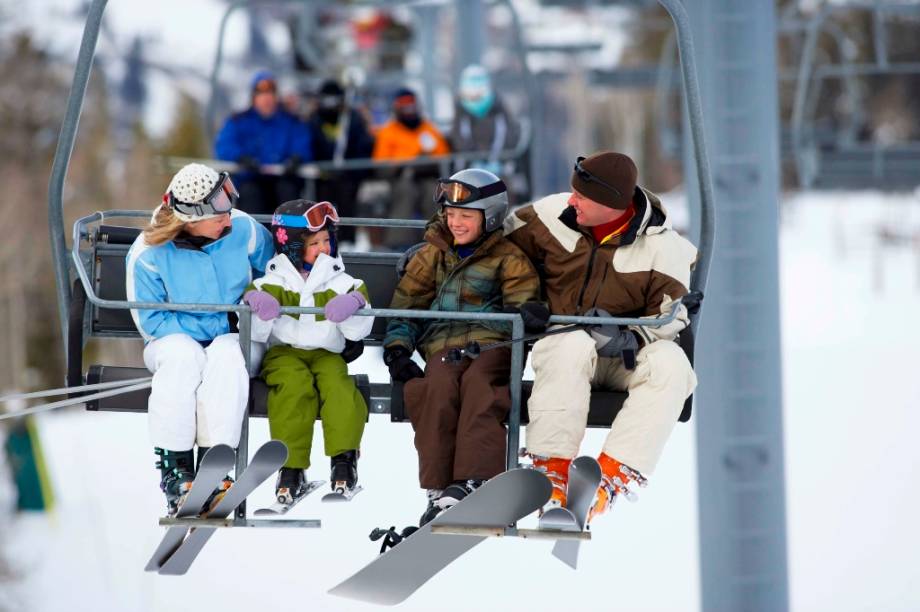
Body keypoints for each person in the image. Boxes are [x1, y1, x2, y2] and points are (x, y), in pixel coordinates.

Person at [503, 151, 698, 521]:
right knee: (570, 341)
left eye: (581, 196)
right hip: (565, 352)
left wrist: (629, 337)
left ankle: (609, 479)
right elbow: (492, 245)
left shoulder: (662, 247)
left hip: (624, 360)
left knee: (673, 366)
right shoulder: (549, 216)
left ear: (611, 205)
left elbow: (671, 317)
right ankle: (553, 474)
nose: (571, 199)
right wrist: (525, 298)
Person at [382, 168, 541, 525]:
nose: (455, 223)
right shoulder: (431, 255)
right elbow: (407, 304)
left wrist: (524, 315)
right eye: (451, 214)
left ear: (491, 216)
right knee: (435, 389)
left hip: (492, 346)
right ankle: (438, 487)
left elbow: (522, 303)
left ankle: (475, 478)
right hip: (443, 345)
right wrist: (397, 349)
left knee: (480, 388)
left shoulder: (509, 258)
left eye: (466, 216)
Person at [126, 163, 275, 515]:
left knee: (226, 354)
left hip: (235, 334)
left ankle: (216, 465)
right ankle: (177, 473)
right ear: (191, 219)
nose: (229, 220)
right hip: (173, 340)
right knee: (182, 357)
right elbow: (151, 320)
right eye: (219, 216)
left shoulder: (242, 229)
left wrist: (256, 296)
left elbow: (272, 273)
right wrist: (213, 324)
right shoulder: (148, 254)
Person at [243, 200, 373, 501]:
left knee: (340, 390)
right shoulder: (271, 281)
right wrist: (255, 306)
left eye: (327, 240)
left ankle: (344, 460)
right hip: (284, 353)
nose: (323, 248)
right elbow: (256, 333)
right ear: (291, 247)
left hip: (327, 354)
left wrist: (354, 305)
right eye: (314, 243)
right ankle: (290, 467)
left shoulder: (343, 281)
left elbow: (357, 331)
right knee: (293, 388)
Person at [214, 70, 313, 216]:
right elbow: (224, 145)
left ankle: (291, 237)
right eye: (261, 94)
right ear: (254, 97)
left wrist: (296, 158)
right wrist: (241, 158)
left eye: (270, 93)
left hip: (283, 180)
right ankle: (254, 236)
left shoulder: (290, 121)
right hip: (251, 180)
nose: (266, 98)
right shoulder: (239, 121)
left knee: (288, 195)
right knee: (251, 195)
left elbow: (303, 144)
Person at [372, 87, 450, 249]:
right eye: (404, 107)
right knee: (406, 192)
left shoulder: (428, 130)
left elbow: (444, 156)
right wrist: (404, 166)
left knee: (434, 192)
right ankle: (399, 242)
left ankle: (437, 238)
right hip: (399, 179)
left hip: (426, 176)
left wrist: (425, 164)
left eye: (412, 106)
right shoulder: (389, 132)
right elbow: (380, 164)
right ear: (397, 108)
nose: (409, 111)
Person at [305, 79, 375, 244]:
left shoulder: (353, 120)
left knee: (347, 200)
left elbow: (363, 148)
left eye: (334, 100)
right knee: (320, 204)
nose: (330, 105)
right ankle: (320, 240)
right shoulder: (313, 122)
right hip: (320, 177)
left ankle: (348, 241)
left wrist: (351, 171)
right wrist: (320, 168)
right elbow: (308, 147)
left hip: (348, 176)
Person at [450, 64, 521, 181]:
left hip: (499, 168)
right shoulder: (460, 112)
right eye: (471, 96)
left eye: (478, 95)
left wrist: (495, 161)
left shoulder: (499, 109)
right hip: (468, 170)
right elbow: (459, 139)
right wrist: (473, 161)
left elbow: (506, 136)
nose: (475, 99)